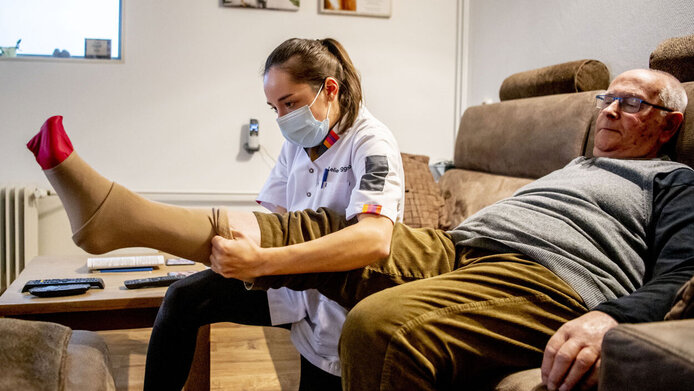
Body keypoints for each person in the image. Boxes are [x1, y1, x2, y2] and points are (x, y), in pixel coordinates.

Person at [27, 68, 694, 391]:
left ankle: (118, 215)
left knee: (379, 325)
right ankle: (123, 218)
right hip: (458, 247)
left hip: (546, 279)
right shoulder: (569, 163)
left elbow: (680, 272)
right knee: (318, 227)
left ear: (665, 123)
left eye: (628, 101)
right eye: (605, 97)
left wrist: (609, 317)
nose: (607, 108)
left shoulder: (673, 181)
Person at [27, 37, 405, 391]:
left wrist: (263, 262)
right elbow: (270, 219)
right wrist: (209, 249)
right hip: (298, 288)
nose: (282, 117)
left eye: (289, 103)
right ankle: (115, 216)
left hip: (343, 300)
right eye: (275, 108)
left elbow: (374, 239)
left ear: (330, 89)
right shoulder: (301, 140)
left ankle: (115, 214)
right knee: (183, 297)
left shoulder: (371, 142)